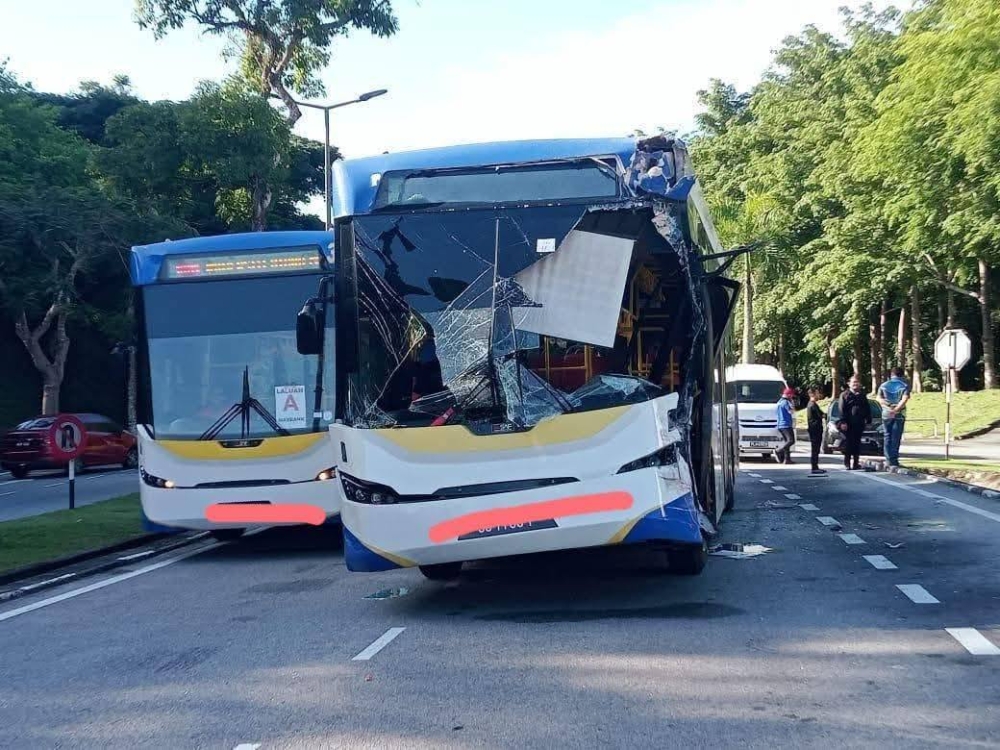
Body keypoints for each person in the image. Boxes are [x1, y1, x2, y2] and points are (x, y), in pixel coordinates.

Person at [877, 366, 911, 468]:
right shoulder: (904, 385)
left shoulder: (884, 385)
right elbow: (904, 399)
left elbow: (879, 398)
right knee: (896, 437)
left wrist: (888, 407)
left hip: (886, 414)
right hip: (899, 415)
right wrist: (896, 410)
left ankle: (888, 459)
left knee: (887, 436)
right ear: (902, 375)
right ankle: (894, 460)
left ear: (891, 375)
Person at [837, 374, 871, 470]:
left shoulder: (862, 395)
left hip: (859, 423)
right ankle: (847, 463)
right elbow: (841, 409)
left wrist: (868, 420)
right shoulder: (844, 395)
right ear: (849, 384)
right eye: (853, 382)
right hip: (848, 424)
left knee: (857, 444)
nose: (855, 384)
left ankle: (856, 463)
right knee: (848, 444)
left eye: (857, 382)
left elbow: (867, 408)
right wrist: (843, 422)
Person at [806, 386, 827, 475]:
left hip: (815, 429)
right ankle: (814, 467)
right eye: (817, 393)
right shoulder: (812, 405)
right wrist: (824, 415)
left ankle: (816, 466)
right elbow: (820, 415)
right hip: (815, 430)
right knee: (815, 449)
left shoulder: (813, 404)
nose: (819, 395)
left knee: (816, 449)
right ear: (813, 394)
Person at [774, 386, 797, 465]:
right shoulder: (786, 402)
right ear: (789, 395)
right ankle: (779, 450)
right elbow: (791, 411)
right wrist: (793, 405)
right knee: (791, 441)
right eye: (791, 395)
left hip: (780, 425)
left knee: (787, 442)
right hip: (786, 424)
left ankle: (787, 459)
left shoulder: (779, 402)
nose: (792, 397)